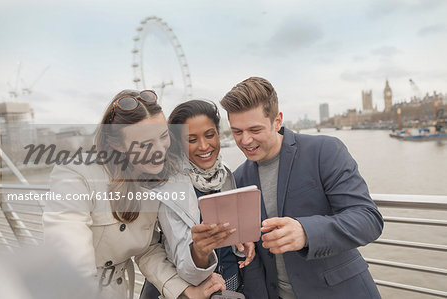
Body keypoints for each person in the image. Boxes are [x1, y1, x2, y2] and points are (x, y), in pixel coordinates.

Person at [43, 89, 225, 299]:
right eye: (145, 145)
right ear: (117, 144)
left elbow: (147, 249)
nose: (159, 151)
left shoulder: (154, 179)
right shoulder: (75, 174)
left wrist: (185, 292)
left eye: (164, 136)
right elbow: (70, 264)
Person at [220, 77, 384, 299]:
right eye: (237, 132)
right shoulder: (238, 178)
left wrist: (306, 232)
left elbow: (368, 219)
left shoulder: (325, 151)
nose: (245, 140)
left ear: (277, 121)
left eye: (254, 129)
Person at [140, 100, 255, 298]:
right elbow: (186, 269)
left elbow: (230, 236)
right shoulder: (167, 190)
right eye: (191, 139)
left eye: (210, 135)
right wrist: (200, 252)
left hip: (235, 286)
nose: (204, 146)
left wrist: (242, 238)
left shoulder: (225, 174)